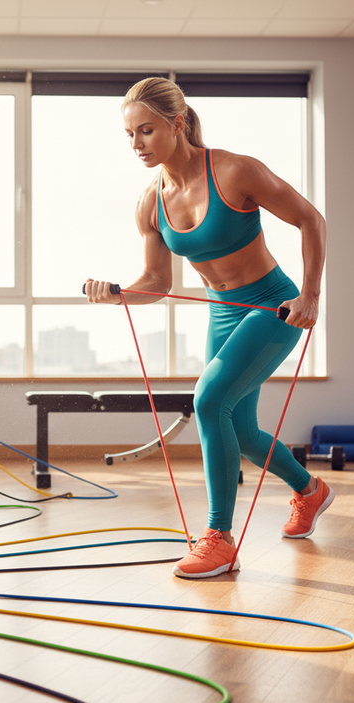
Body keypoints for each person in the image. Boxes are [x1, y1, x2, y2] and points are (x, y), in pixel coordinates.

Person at [84, 77, 333, 579]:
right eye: (129, 135)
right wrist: (118, 293)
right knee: (241, 430)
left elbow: (311, 219)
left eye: (146, 131)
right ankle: (310, 491)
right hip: (223, 313)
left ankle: (219, 537)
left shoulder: (234, 171)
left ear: (177, 124)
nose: (136, 144)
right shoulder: (150, 203)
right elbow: (157, 282)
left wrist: (309, 295)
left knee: (209, 399)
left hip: (272, 306)